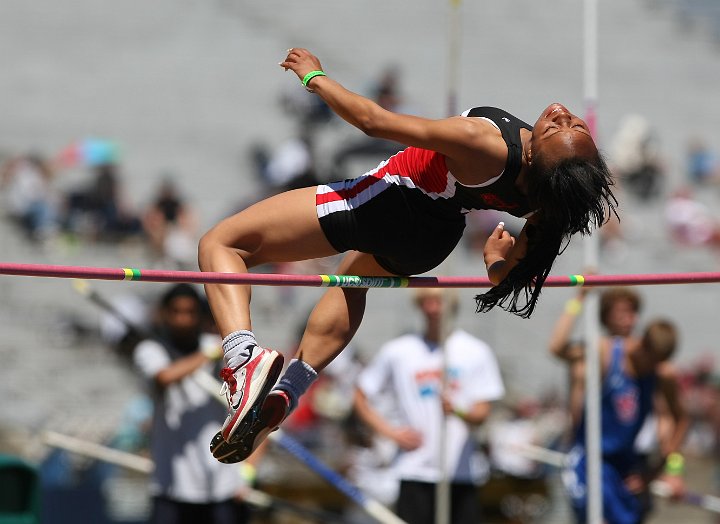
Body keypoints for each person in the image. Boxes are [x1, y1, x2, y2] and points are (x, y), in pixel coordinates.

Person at [200, 47, 617, 463]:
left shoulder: (484, 142)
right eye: (572, 123)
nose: (562, 114)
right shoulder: (550, 194)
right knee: (352, 282)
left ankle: (243, 362)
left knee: (221, 244)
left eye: (556, 129)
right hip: (430, 241)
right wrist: (494, 259)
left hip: (385, 201)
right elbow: (503, 278)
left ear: (533, 156)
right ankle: (287, 392)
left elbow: (374, 121)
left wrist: (315, 78)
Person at [353, 288, 504, 523]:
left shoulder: (475, 351)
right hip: (415, 469)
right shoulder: (399, 351)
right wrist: (390, 433)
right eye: (427, 302)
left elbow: (483, 412)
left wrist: (458, 410)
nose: (433, 308)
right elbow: (361, 395)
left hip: (460, 472)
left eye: (438, 301)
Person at [549, 301, 689, 524]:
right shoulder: (603, 354)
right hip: (588, 459)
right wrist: (577, 300)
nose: (653, 368)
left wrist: (667, 468)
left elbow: (679, 420)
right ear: (642, 344)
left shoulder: (662, 374)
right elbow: (557, 348)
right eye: (651, 361)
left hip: (625, 465)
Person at [132, 283, 255, 524]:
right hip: (172, 484)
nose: (183, 320)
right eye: (176, 312)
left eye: (190, 313)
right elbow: (164, 377)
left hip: (222, 483)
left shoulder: (218, 348)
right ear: (164, 314)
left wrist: (247, 474)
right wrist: (209, 354)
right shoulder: (151, 350)